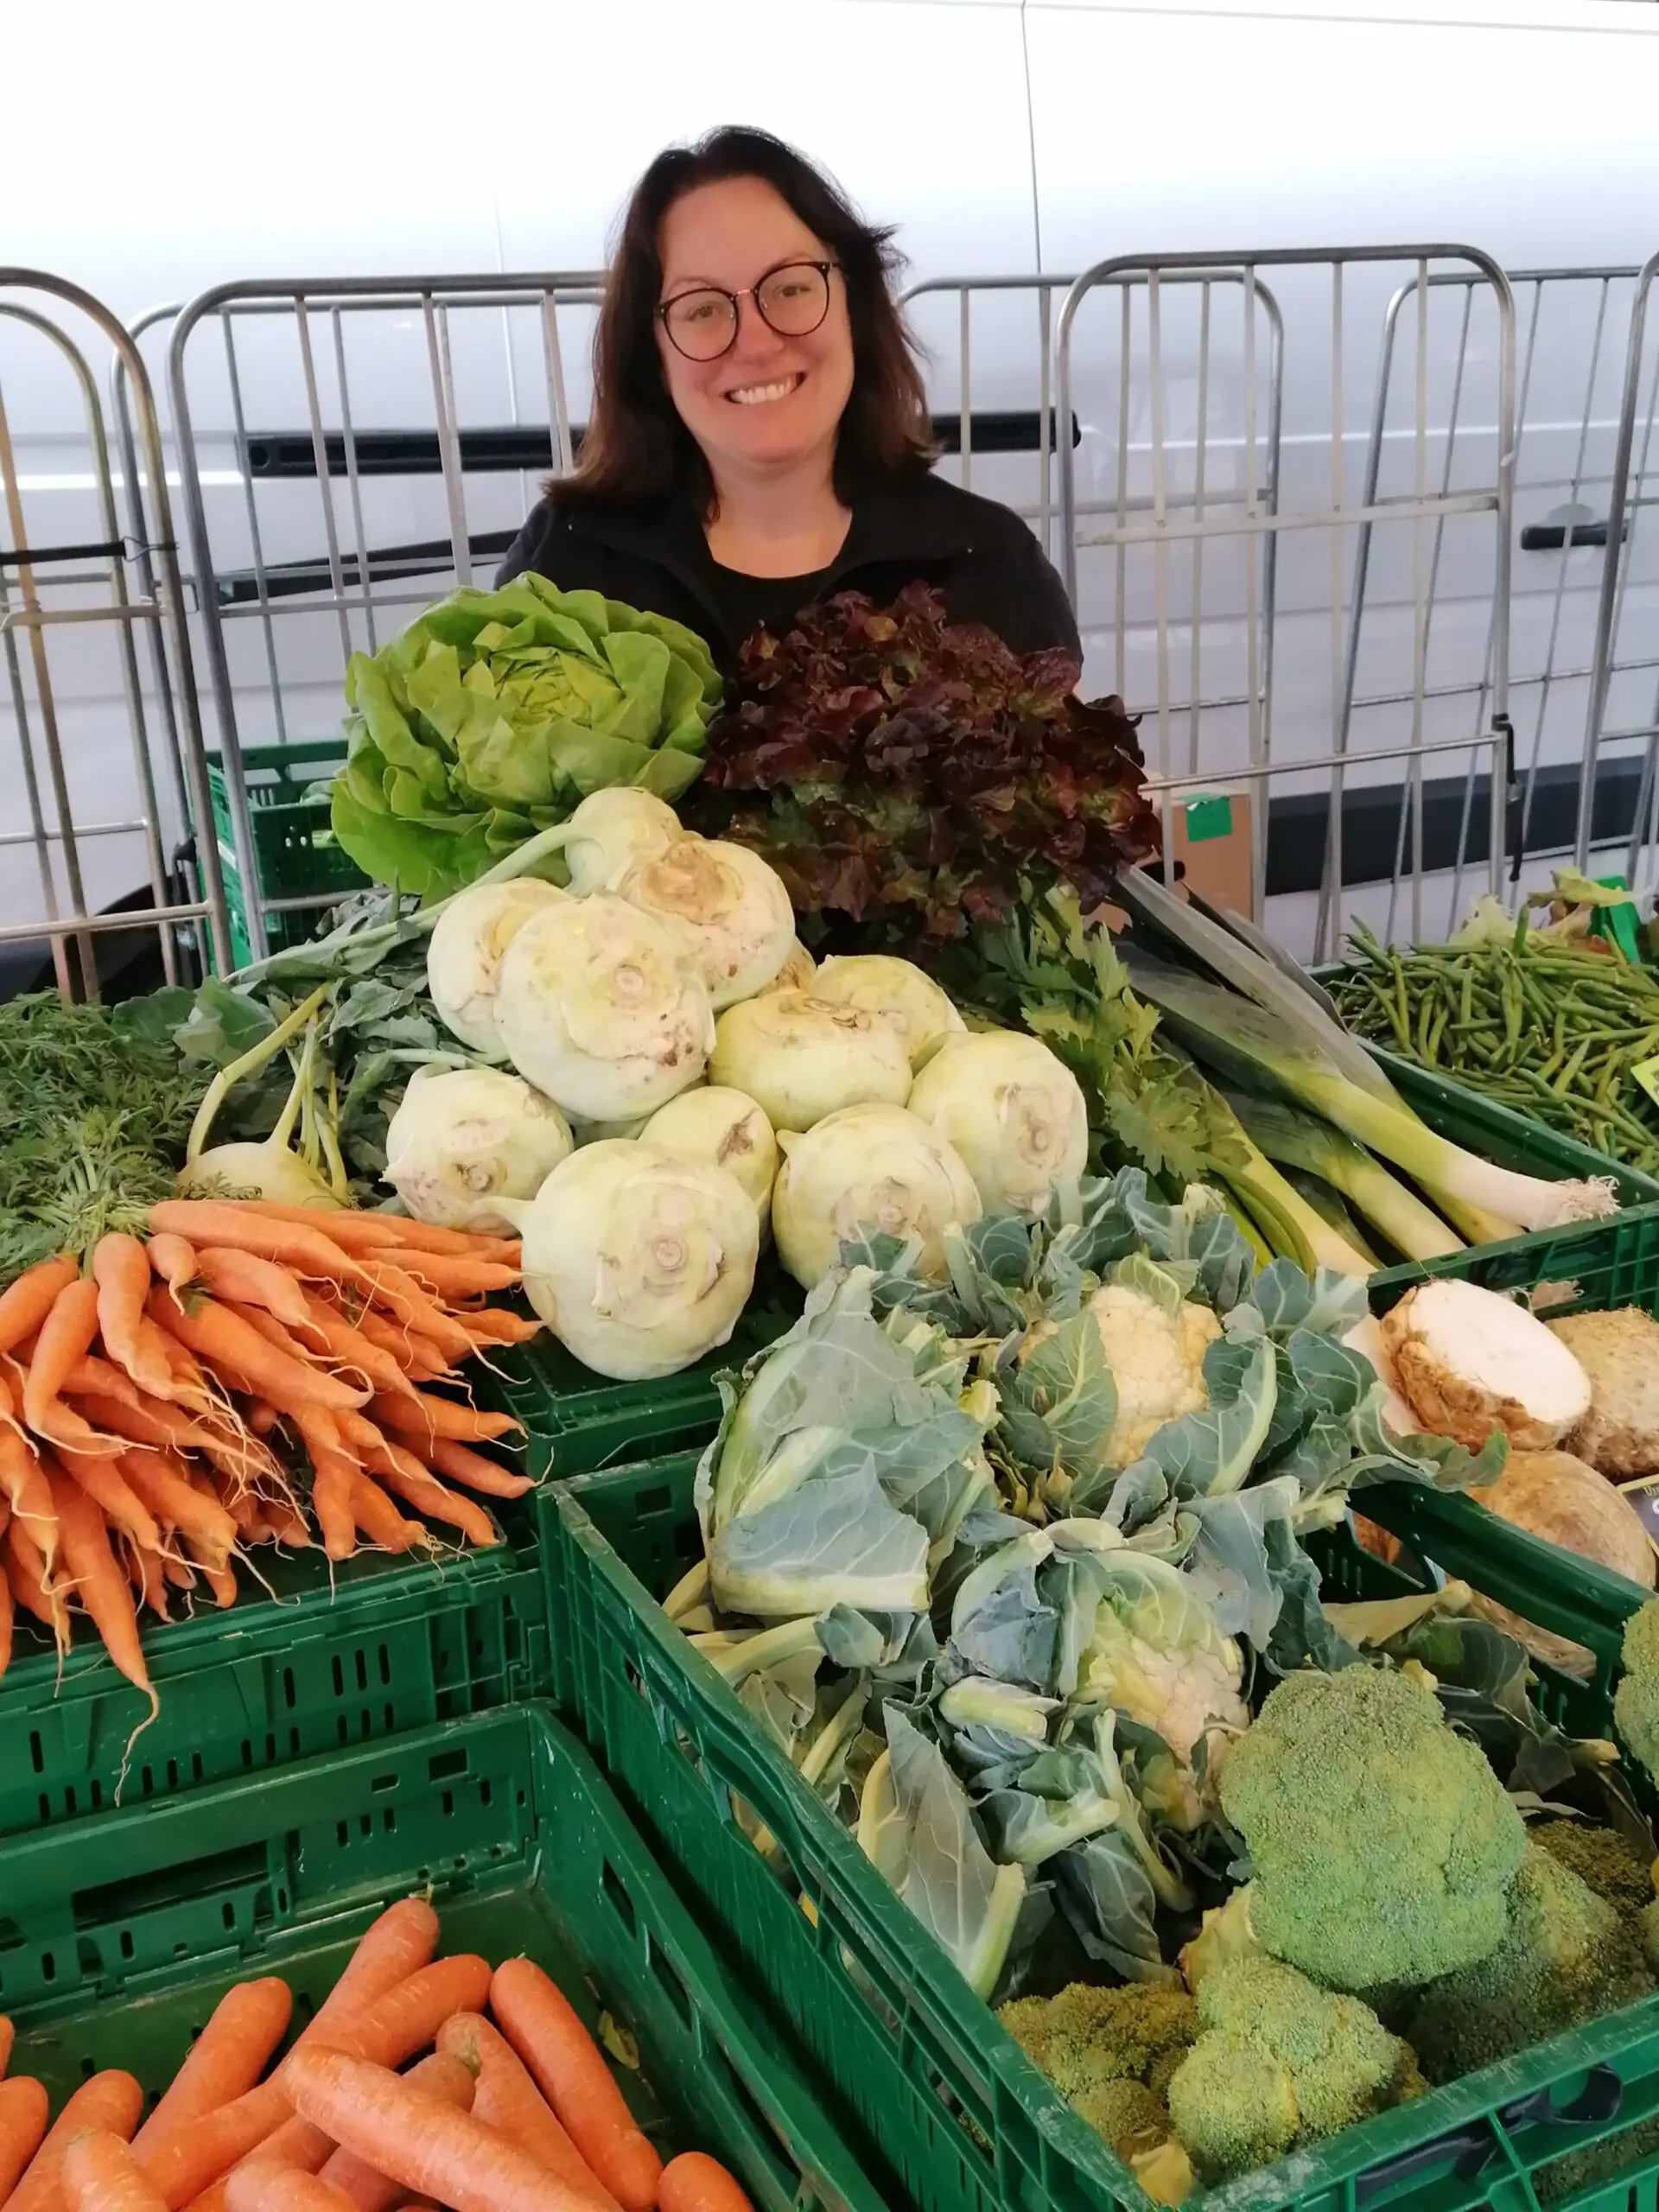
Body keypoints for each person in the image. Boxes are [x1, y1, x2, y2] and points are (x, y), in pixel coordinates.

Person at [497, 126, 1080, 672]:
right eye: (702, 307)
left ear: (853, 305)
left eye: (792, 288)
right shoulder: (566, 563)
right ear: (652, 354)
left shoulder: (989, 561)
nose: (754, 341)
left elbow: (1075, 775)